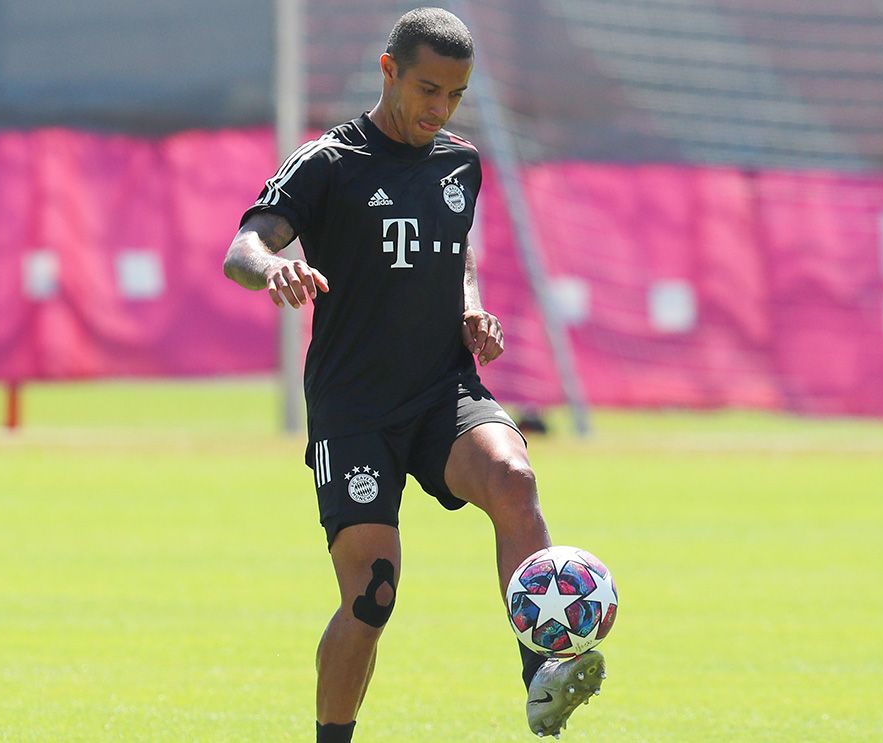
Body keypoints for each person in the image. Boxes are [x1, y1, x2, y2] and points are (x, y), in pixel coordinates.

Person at [223, 8, 605, 741]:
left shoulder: (460, 162)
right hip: (355, 408)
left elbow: (453, 256)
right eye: (428, 89)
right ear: (388, 70)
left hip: (443, 391)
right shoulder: (327, 162)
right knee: (372, 596)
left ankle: (541, 676)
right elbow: (243, 245)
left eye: (455, 95)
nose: (440, 109)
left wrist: (470, 306)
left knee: (514, 478)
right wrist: (273, 267)